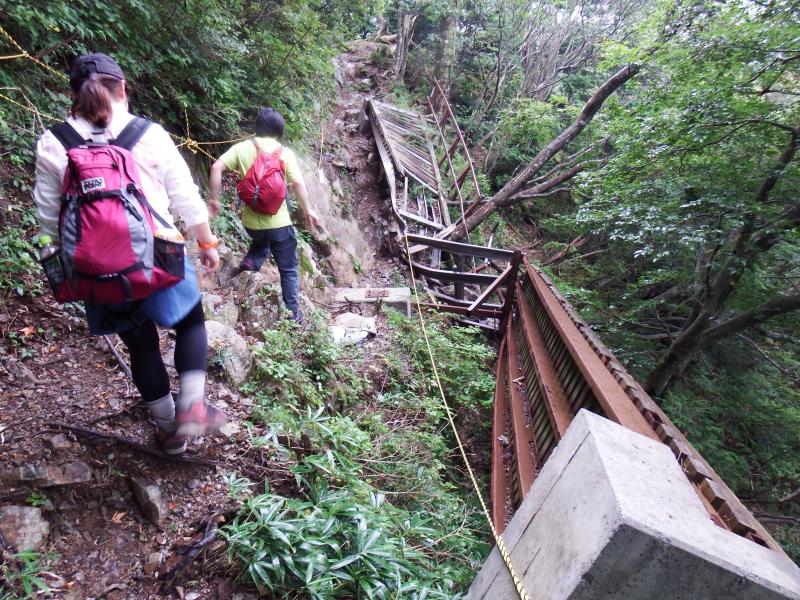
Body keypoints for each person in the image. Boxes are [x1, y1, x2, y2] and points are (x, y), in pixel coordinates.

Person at [32, 53, 227, 455]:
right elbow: (185, 197)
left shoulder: (54, 142)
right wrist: (206, 243)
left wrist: (62, 267)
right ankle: (192, 407)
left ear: (73, 94)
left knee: (140, 344)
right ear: (122, 88)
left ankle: (169, 431)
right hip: (159, 255)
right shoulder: (147, 133)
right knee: (191, 323)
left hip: (96, 268)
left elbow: (49, 218)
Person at [208, 107, 320, 322]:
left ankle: (252, 261)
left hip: (251, 224)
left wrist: (214, 199)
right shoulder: (285, 153)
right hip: (279, 223)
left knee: (262, 239)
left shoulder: (242, 148)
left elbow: (216, 168)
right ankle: (293, 314)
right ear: (279, 130)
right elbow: (298, 183)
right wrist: (308, 210)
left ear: (257, 127)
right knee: (288, 269)